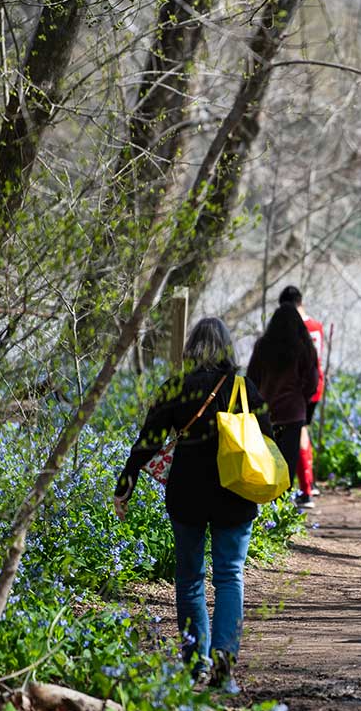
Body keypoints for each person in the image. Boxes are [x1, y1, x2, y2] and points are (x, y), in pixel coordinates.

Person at [113, 317, 269, 687]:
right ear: (228, 348)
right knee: (230, 576)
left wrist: (126, 480)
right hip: (236, 494)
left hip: (187, 495)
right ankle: (224, 664)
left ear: (191, 349)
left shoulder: (176, 388)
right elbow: (267, 437)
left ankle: (194, 663)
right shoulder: (243, 388)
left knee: (189, 579)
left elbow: (148, 441)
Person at [247, 304, 319, 488]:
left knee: (265, 463)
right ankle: (283, 505)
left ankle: (265, 506)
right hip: (293, 414)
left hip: (266, 413)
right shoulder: (304, 347)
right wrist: (302, 399)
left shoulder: (263, 345)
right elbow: (312, 382)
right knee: (287, 465)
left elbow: (252, 379)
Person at [278, 285, 325, 509]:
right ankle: (309, 483)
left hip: (301, 389)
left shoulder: (294, 328)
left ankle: (306, 489)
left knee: (300, 434)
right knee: (302, 432)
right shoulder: (317, 326)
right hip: (316, 386)